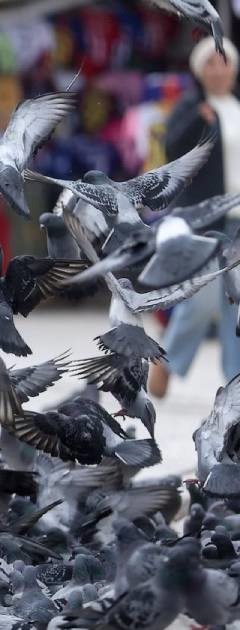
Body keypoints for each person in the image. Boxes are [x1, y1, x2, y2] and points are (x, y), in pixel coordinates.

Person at [151, 36, 240, 396]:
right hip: (204, 217)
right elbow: (172, 148)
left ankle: (235, 378)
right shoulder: (190, 106)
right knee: (200, 299)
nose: (219, 70)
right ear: (199, 70)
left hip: (239, 217)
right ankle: (167, 361)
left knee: (235, 303)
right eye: (211, 63)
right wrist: (200, 123)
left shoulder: (236, 105)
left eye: (225, 62)